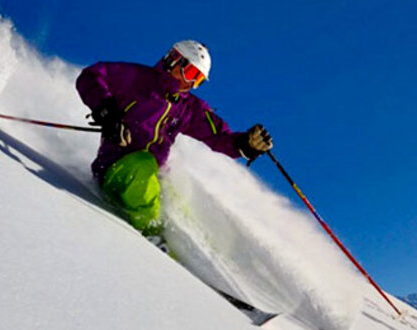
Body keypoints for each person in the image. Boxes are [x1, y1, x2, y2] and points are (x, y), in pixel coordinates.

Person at [76, 40, 273, 237]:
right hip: (115, 170)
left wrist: (245, 144)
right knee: (143, 164)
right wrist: (107, 113)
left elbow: (219, 136)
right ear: (174, 60)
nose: (190, 83)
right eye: (191, 74)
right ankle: (151, 235)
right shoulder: (137, 79)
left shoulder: (188, 108)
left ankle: (190, 248)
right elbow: (91, 76)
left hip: (154, 177)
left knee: (178, 198)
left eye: (197, 80)